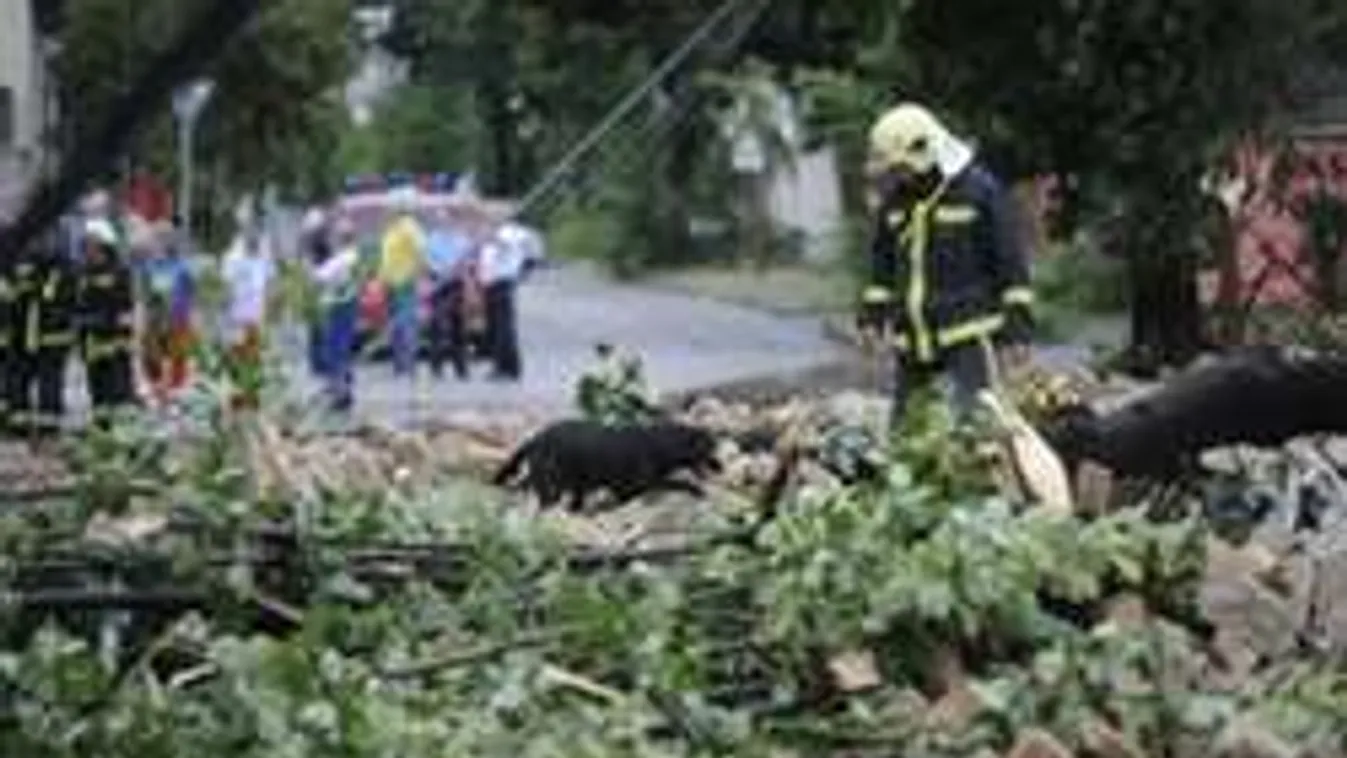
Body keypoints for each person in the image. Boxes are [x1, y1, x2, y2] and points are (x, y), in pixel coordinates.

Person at [857, 102, 1034, 428]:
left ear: (923, 153)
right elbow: (882, 265)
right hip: (913, 339)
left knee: (975, 426)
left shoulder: (979, 192)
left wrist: (1018, 329)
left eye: (901, 168)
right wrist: (872, 316)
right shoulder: (896, 202)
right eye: (893, 170)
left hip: (969, 336)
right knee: (906, 432)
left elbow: (1011, 262)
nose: (897, 176)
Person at [10, 238, 76, 439]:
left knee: (50, 384)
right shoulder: (26, 268)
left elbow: (50, 297)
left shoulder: (62, 271)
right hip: (25, 335)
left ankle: (49, 430)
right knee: (18, 382)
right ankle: (19, 427)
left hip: (53, 338)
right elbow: (17, 297)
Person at [77, 218, 137, 426]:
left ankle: (121, 431)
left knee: (118, 391)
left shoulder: (119, 271)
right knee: (97, 392)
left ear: (104, 244)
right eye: (86, 244)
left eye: (92, 243)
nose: (88, 249)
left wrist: (116, 329)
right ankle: (101, 430)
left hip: (114, 345)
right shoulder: (83, 272)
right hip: (91, 343)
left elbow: (125, 309)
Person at [138, 226, 195, 405]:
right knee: (152, 355)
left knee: (177, 354)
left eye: (166, 239)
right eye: (159, 240)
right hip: (155, 318)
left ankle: (175, 391)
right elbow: (144, 294)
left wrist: (185, 312)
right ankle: (156, 388)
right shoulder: (149, 266)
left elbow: (190, 292)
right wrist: (146, 315)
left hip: (177, 318)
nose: (162, 244)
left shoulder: (183, 267)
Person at [312, 219, 365, 412]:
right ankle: (343, 389)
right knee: (343, 349)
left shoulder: (342, 259)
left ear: (341, 238)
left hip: (337, 306)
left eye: (336, 236)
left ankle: (340, 394)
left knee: (334, 351)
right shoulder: (355, 256)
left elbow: (319, 277)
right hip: (349, 305)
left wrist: (309, 266)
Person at [221, 223, 274, 409]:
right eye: (250, 238)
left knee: (254, 356)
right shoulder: (233, 258)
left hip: (256, 316)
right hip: (237, 316)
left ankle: (251, 394)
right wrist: (227, 315)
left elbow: (269, 284)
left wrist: (270, 310)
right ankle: (236, 395)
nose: (254, 241)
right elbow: (226, 287)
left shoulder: (264, 259)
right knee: (237, 355)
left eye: (256, 238)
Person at [377, 187, 427, 376]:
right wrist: (381, 278)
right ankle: (399, 362)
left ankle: (408, 362)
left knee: (405, 323)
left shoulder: (409, 227)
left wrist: (417, 275)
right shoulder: (393, 227)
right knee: (395, 324)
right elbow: (387, 256)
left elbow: (421, 252)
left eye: (389, 205)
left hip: (405, 281)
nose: (386, 209)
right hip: (391, 282)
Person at [424, 205, 473, 379]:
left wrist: (459, 268)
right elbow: (428, 260)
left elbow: (468, 262)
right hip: (438, 284)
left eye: (445, 218)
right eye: (439, 219)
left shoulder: (462, 240)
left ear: (452, 220)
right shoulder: (431, 239)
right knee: (437, 325)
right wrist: (439, 268)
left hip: (455, 285)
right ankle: (436, 367)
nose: (442, 221)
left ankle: (461, 368)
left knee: (457, 325)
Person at [478, 216, 525, 381]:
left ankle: (504, 367)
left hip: (502, 284)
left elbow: (505, 244)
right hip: (491, 286)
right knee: (496, 328)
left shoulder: (509, 233)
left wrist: (491, 237)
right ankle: (508, 366)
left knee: (503, 330)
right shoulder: (495, 236)